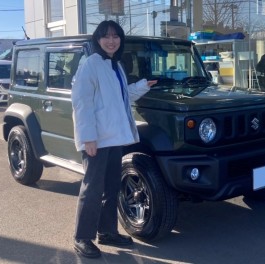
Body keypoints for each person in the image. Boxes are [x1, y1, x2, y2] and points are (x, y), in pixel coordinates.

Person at [71, 20, 157, 259]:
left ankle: (107, 232)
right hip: (96, 140)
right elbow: (81, 103)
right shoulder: (90, 65)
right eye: (106, 36)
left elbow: (123, 95)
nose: (111, 40)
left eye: (116, 36)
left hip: (114, 139)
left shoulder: (115, 66)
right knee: (92, 189)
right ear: (97, 40)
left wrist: (142, 86)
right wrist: (88, 138)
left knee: (110, 188)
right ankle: (82, 237)